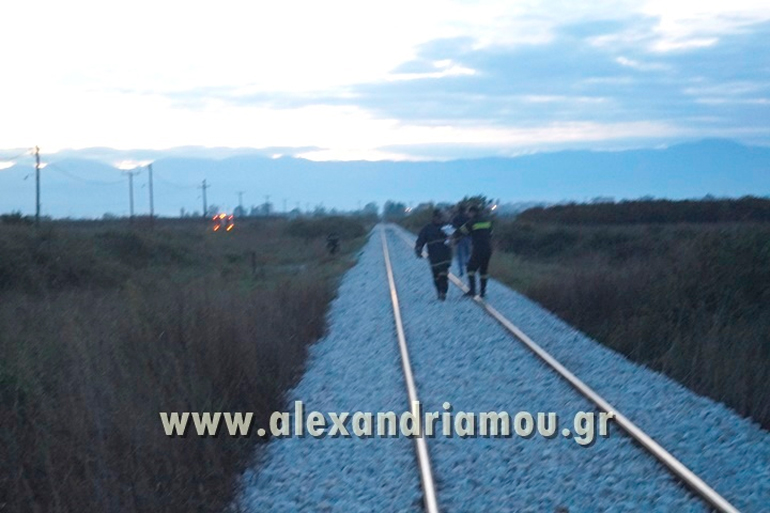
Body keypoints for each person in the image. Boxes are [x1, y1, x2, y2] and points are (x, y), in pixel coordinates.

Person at [454, 205, 493, 298]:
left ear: (473, 212)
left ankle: (472, 290)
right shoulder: (487, 221)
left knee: (470, 269)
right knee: (483, 270)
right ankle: (483, 292)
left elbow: (461, 231)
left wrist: (452, 236)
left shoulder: (472, 222)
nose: (468, 214)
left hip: (478, 248)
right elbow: (491, 233)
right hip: (488, 248)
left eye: (469, 213)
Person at [415, 209, 452, 301]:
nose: (439, 219)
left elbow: (453, 236)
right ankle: (439, 291)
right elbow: (421, 239)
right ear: (434, 217)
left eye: (440, 217)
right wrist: (418, 249)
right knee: (436, 276)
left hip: (445, 254)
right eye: (437, 217)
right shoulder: (427, 228)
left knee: (443, 274)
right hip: (434, 256)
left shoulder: (446, 227)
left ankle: (443, 292)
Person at [451, 205, 471, 276]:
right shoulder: (468, 218)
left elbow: (453, 228)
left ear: (458, 210)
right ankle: (467, 264)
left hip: (459, 239)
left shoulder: (455, 218)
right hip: (468, 237)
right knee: (467, 253)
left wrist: (454, 237)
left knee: (459, 255)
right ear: (465, 210)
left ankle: (461, 270)